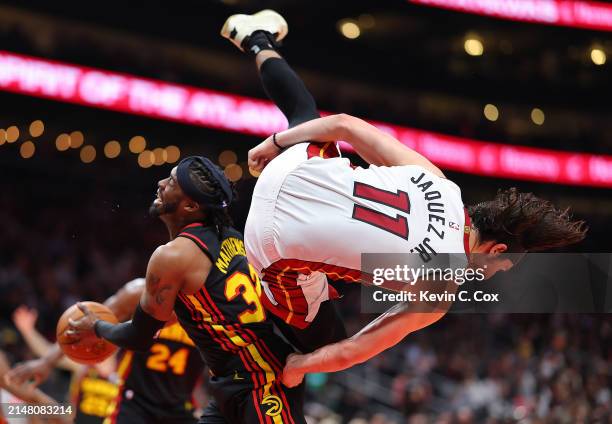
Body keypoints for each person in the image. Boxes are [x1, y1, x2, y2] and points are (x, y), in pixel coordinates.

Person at [223, 12, 587, 382]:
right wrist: (299, 369)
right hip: (267, 241)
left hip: (292, 168)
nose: (488, 275)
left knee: (305, 115)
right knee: (322, 342)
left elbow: (344, 125)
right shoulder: (442, 290)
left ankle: (256, 38)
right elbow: (350, 352)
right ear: (496, 251)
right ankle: (227, 302)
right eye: (497, 269)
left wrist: (275, 142)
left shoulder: (441, 182)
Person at [63, 156, 305, 424]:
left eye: (172, 182)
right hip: (234, 380)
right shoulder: (234, 237)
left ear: (190, 205)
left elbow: (140, 336)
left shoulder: (174, 255)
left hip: (261, 380)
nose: (161, 182)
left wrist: (97, 326)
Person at [8, 279, 205, 424]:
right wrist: (46, 362)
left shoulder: (211, 312)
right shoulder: (140, 293)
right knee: (40, 409)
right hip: (133, 405)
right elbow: (87, 326)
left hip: (179, 408)